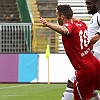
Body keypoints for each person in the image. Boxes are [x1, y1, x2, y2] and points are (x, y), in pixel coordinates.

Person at [40, 4, 100, 100]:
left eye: (57, 16)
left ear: (62, 16)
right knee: (92, 90)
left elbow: (64, 30)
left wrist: (48, 24)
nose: (56, 18)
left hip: (84, 68)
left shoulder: (69, 26)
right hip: (94, 63)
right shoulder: (82, 24)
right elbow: (72, 20)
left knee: (81, 97)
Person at [61, 0, 100, 100]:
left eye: (89, 3)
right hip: (92, 56)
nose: (87, 6)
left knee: (72, 82)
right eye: (86, 3)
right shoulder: (95, 16)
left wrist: (89, 43)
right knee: (90, 87)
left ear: (98, 3)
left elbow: (95, 37)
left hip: (94, 56)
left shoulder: (99, 17)